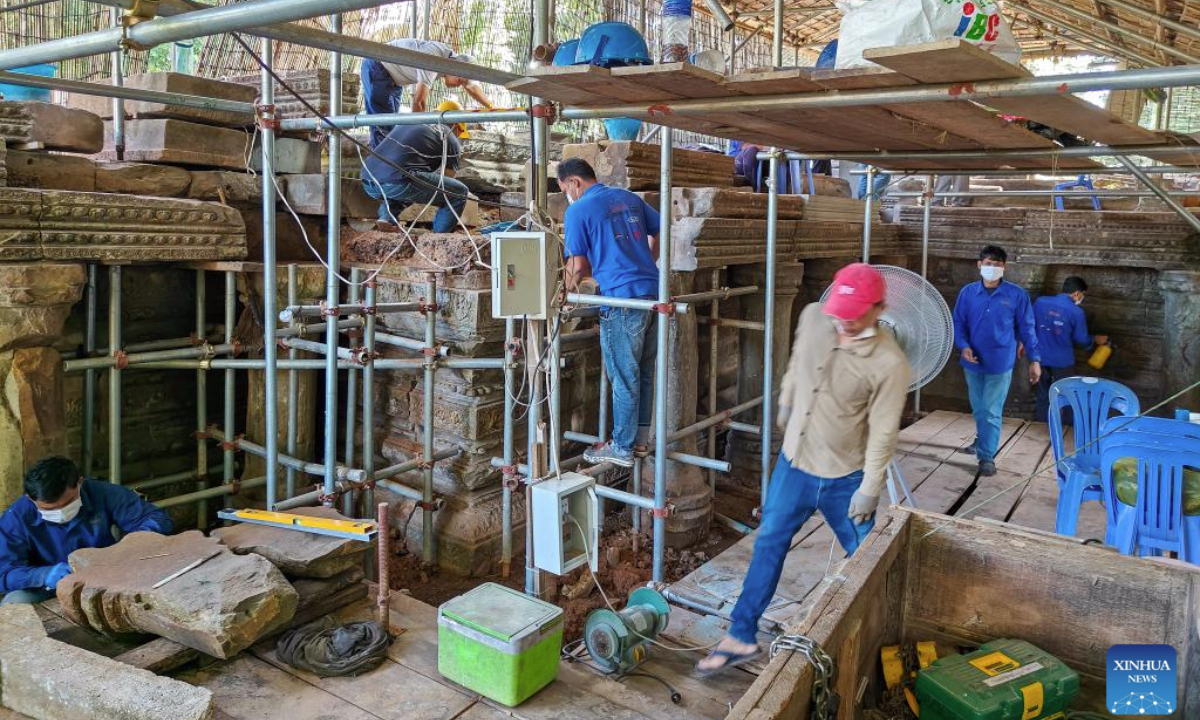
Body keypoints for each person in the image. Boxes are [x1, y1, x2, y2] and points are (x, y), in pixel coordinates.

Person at [696, 264, 910, 676]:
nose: (843, 321)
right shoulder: (815, 316)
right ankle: (741, 635)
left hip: (844, 478)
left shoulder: (889, 363)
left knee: (866, 560)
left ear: (880, 308)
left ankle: (881, 646)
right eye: (839, 310)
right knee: (768, 544)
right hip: (794, 464)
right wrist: (787, 399)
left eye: (855, 314)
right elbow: (797, 361)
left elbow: (884, 433)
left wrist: (870, 488)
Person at [559, 158, 661, 468]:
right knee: (642, 371)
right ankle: (639, 440)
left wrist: (561, 296)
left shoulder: (578, 210)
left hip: (620, 299)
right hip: (651, 292)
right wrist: (646, 261)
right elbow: (660, 228)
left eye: (566, 189)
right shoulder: (628, 198)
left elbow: (576, 266)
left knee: (622, 375)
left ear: (575, 182)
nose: (568, 195)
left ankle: (622, 447)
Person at [0, 456, 173, 605]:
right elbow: (3, 573)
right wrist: (43, 575)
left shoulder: (101, 492)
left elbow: (157, 519)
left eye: (67, 503)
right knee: (15, 601)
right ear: (29, 498)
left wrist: (130, 545)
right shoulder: (16, 517)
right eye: (49, 510)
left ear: (80, 483)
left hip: (107, 574)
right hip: (49, 588)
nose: (60, 513)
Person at [952, 245, 1042, 477]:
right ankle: (982, 439)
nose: (992, 268)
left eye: (997, 265)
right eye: (988, 263)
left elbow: (1028, 329)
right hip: (972, 361)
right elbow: (958, 324)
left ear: (1004, 267)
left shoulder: (1016, 295)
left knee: (991, 409)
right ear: (979, 265)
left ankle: (986, 456)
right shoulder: (968, 293)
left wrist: (1035, 360)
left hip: (1000, 362)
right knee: (979, 407)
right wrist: (964, 347)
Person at [360, 38, 494, 147]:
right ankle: (379, 176)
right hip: (378, 68)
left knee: (390, 131)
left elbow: (472, 88)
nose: (459, 85)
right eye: (459, 80)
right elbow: (419, 102)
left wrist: (491, 107)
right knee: (382, 130)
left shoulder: (451, 61)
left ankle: (387, 170)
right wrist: (416, 136)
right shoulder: (434, 60)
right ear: (453, 68)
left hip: (393, 80)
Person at [360, 102, 470, 234]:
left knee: (411, 183)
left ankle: (387, 218)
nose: (458, 135)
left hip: (368, 180)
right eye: (460, 131)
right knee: (459, 192)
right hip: (397, 182)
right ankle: (439, 237)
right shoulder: (449, 136)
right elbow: (446, 182)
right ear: (455, 124)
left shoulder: (412, 121)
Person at [1032, 276, 1108, 423]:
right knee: (1067, 396)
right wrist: (1095, 340)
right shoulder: (1076, 312)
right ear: (1076, 293)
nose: (1081, 298)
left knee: (1042, 394)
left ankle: (1040, 426)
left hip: (1039, 357)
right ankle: (1067, 427)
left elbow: (1030, 325)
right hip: (1062, 360)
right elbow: (1081, 339)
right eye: (1082, 294)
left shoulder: (1040, 302)